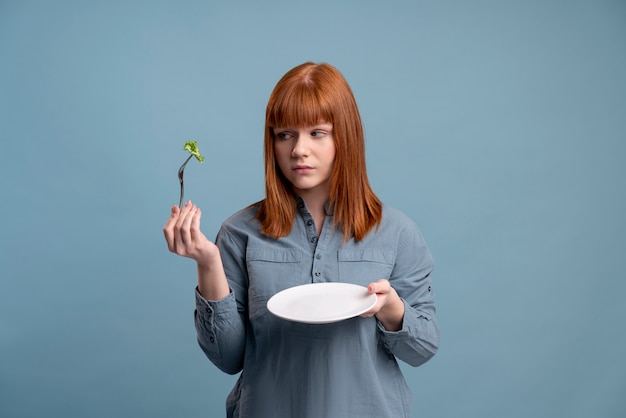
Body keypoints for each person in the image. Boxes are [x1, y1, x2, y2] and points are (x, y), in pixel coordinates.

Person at [163, 62, 439, 418]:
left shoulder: (397, 232)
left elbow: (423, 348)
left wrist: (390, 308)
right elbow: (227, 359)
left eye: (317, 133)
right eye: (285, 134)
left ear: (345, 137)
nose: (298, 150)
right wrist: (208, 262)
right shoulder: (239, 232)